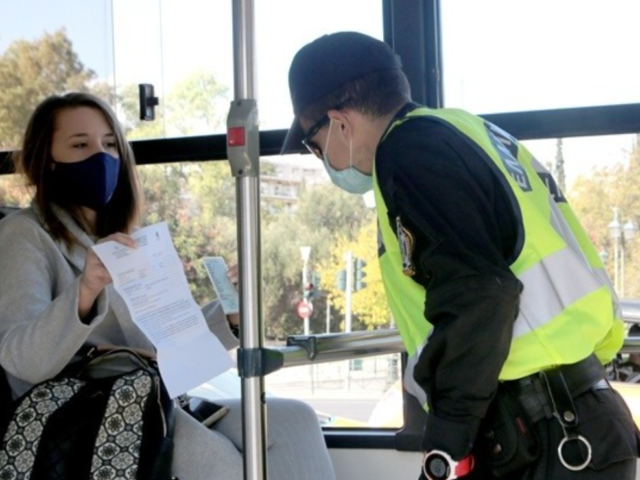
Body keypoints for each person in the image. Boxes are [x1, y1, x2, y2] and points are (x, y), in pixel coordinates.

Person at [281, 31, 640, 479]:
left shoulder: (410, 153)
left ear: (340, 123)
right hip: (578, 421)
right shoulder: (465, 129)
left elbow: (481, 296)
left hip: (542, 436)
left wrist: (447, 441)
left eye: (314, 146)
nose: (322, 159)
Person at [0, 92, 336, 480]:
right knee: (223, 466)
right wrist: (85, 290)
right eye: (80, 144)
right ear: (48, 159)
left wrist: (226, 316)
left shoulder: (126, 239)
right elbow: (20, 361)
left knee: (294, 421)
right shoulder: (22, 235)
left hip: (146, 397)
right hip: (83, 411)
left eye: (110, 145)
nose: (101, 156)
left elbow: (162, 339)